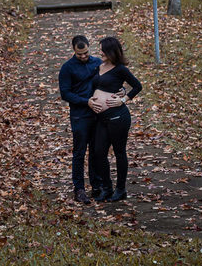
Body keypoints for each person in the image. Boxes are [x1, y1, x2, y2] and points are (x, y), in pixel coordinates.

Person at [88, 36, 142, 202]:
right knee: (99, 152)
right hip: (101, 118)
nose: (100, 52)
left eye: (103, 50)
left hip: (118, 117)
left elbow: (137, 86)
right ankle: (107, 188)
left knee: (119, 153)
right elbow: (94, 87)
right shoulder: (99, 67)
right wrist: (90, 100)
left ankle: (120, 189)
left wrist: (123, 99)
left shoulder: (120, 69)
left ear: (112, 52)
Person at [58, 35, 104, 203]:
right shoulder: (67, 68)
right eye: (80, 54)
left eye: (86, 53)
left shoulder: (97, 63)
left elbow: (109, 80)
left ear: (89, 48)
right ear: (74, 51)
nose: (83, 56)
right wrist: (86, 102)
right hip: (79, 115)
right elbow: (65, 93)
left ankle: (97, 186)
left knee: (96, 151)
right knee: (79, 152)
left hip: (98, 113)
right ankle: (79, 189)